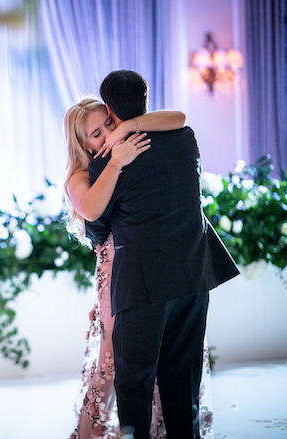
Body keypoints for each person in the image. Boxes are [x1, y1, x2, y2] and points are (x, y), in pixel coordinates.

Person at [84, 70, 240, 439]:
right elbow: (179, 118)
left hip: (142, 283)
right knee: (182, 379)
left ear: (109, 108)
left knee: (134, 381)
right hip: (192, 272)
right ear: (146, 98)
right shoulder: (184, 138)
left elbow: (97, 226)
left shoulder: (106, 161)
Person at [64, 97, 214, 438]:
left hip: (155, 272)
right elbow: (92, 210)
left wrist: (130, 129)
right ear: (82, 143)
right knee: (115, 364)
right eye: (96, 133)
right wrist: (116, 162)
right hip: (118, 274)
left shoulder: (130, 147)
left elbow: (178, 116)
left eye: (110, 124)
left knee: (162, 359)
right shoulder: (80, 176)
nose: (107, 135)